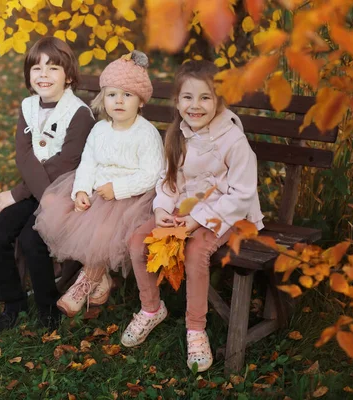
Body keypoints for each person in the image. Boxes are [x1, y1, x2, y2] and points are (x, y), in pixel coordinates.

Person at [121, 60, 264, 372]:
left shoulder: (234, 141)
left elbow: (241, 195)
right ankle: (151, 308)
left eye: (205, 98)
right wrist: (161, 208)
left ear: (219, 100)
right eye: (187, 97)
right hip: (183, 210)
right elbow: (169, 181)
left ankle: (196, 329)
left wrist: (199, 220)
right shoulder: (177, 134)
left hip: (226, 214)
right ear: (177, 100)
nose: (195, 106)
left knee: (196, 250)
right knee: (136, 242)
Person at [33, 51, 165, 317]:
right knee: (53, 204)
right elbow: (88, 163)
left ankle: (86, 282)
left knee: (104, 230)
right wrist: (81, 189)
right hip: (97, 190)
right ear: (103, 98)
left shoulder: (146, 133)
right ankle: (100, 276)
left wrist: (118, 189)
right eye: (112, 94)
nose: (119, 101)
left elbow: (152, 174)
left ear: (140, 102)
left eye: (127, 95)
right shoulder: (100, 129)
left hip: (131, 198)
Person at [0, 37, 95, 335]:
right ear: (28, 75)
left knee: (33, 240)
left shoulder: (80, 114)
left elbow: (65, 164)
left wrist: (18, 194)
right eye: (36, 68)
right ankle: (13, 303)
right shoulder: (28, 106)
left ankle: (48, 309)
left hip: (64, 192)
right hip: (36, 188)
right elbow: (24, 154)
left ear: (68, 76)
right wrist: (28, 195)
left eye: (53, 67)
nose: (43, 74)